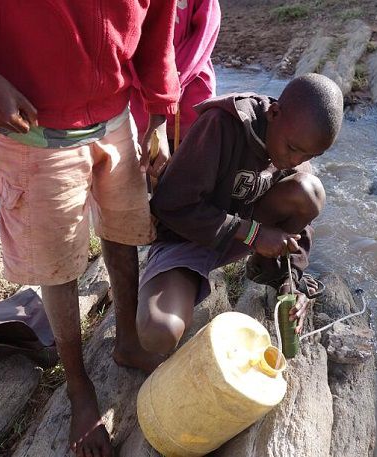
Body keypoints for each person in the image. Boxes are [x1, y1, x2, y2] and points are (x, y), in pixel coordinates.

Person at [0, 2, 180, 456]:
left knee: (124, 231)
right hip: (32, 126)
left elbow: (157, 21)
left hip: (116, 117)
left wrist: (158, 111)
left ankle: (128, 343)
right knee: (57, 263)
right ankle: (78, 387)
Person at [136, 73, 344, 355]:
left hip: (241, 237)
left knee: (310, 190)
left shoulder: (294, 136)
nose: (295, 160)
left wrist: (292, 279)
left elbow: (300, 225)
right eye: (293, 149)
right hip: (186, 237)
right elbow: (171, 204)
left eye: (308, 156)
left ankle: (267, 270)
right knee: (159, 332)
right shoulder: (223, 125)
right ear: (274, 113)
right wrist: (253, 233)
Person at [130, 0, 221, 147]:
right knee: (147, 158)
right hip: (142, 88)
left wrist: (171, 78)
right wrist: (142, 79)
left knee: (196, 154)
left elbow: (205, 34)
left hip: (193, 84)